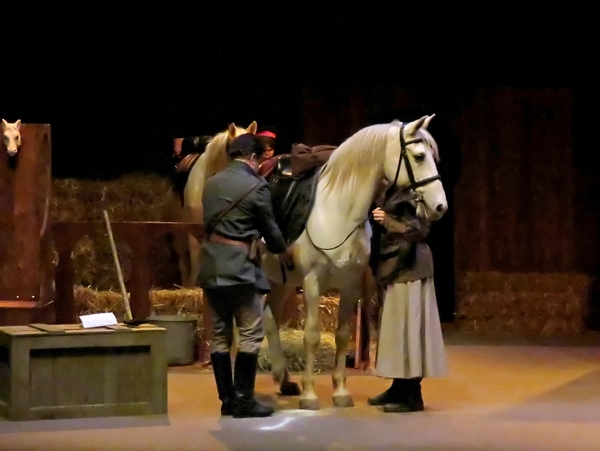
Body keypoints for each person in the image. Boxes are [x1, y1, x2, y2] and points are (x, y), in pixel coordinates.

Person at [198, 133, 294, 418]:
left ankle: (226, 399)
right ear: (253, 157)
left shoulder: (211, 183)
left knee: (218, 336)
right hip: (241, 269)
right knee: (250, 334)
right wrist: (281, 249)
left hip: (212, 266)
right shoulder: (256, 186)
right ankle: (244, 400)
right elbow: (270, 229)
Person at [367, 192, 448, 413]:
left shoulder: (416, 192)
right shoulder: (392, 191)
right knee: (397, 331)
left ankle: (412, 393)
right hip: (394, 266)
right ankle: (398, 387)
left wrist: (388, 221)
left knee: (411, 330)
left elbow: (420, 230)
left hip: (411, 268)